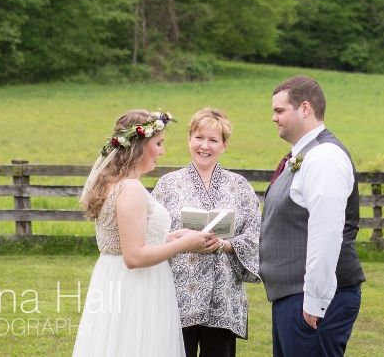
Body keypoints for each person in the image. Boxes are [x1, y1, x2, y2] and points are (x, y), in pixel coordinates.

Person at [72, 110, 219, 357]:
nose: (162, 151)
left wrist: (173, 237)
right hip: (136, 286)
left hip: (114, 277)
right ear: (139, 146)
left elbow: (129, 241)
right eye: (158, 143)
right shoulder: (130, 189)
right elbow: (134, 257)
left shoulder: (114, 183)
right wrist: (184, 245)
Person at [259, 75, 365, 356]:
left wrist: (314, 301)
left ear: (305, 109)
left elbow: (326, 231)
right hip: (293, 295)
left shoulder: (325, 157)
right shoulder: (304, 154)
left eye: (279, 110)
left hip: (313, 299)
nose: (274, 118)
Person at [152, 108, 262, 357]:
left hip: (223, 298)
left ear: (224, 145)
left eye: (213, 140)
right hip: (177, 294)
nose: (205, 146)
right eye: (199, 138)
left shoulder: (240, 187)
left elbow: (255, 235)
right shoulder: (167, 185)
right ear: (189, 139)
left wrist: (224, 244)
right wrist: (181, 238)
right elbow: (152, 233)